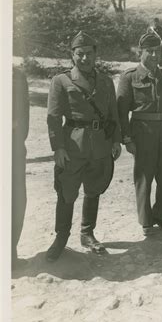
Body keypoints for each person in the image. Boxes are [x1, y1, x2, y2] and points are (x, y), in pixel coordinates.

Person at [45, 31, 122, 262]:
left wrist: (116, 140)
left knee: (94, 188)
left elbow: (113, 114)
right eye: (80, 54)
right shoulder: (61, 81)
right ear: (72, 55)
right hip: (72, 146)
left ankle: (87, 233)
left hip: (100, 144)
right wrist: (58, 148)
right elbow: (53, 117)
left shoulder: (106, 82)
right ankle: (61, 238)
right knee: (67, 191)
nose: (85, 59)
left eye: (89, 54)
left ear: (96, 54)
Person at [117, 32, 162, 237]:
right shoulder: (129, 77)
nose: (154, 55)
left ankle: (161, 216)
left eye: (157, 51)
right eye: (149, 51)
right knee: (144, 177)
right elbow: (121, 111)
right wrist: (126, 138)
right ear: (140, 52)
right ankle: (146, 222)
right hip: (143, 132)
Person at [12, 66, 29, 268]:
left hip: (13, 146)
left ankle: (9, 256)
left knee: (17, 200)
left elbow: (25, 112)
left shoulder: (16, 74)